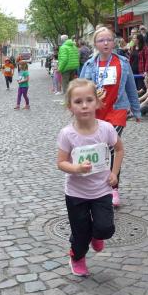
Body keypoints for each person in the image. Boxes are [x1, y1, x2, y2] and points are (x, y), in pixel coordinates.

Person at [56, 78, 122, 277]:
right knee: (80, 233)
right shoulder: (67, 134)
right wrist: (76, 168)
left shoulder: (106, 129)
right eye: (78, 102)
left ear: (97, 102)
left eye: (89, 100)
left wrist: (114, 173)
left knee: (105, 229)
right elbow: (61, 162)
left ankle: (97, 235)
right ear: (70, 106)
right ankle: (77, 258)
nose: (84, 105)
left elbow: (119, 149)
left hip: (102, 190)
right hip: (76, 194)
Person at [78, 27, 141, 208]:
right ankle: (96, 186)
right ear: (95, 44)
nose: (105, 43)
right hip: (95, 113)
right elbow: (79, 89)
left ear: (114, 42)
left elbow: (131, 88)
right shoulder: (89, 65)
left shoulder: (123, 63)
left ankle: (114, 188)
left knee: (111, 146)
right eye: (101, 40)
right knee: (97, 148)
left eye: (109, 40)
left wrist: (136, 110)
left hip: (117, 110)